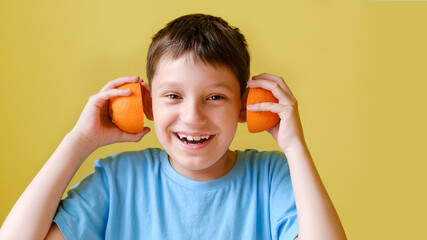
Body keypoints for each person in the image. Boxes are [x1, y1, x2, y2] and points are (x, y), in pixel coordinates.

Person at [0, 14, 346, 240]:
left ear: (245, 106)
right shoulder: (119, 180)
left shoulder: (271, 179)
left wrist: (295, 148)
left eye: (214, 97)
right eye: (173, 96)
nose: (192, 116)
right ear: (148, 103)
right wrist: (78, 141)